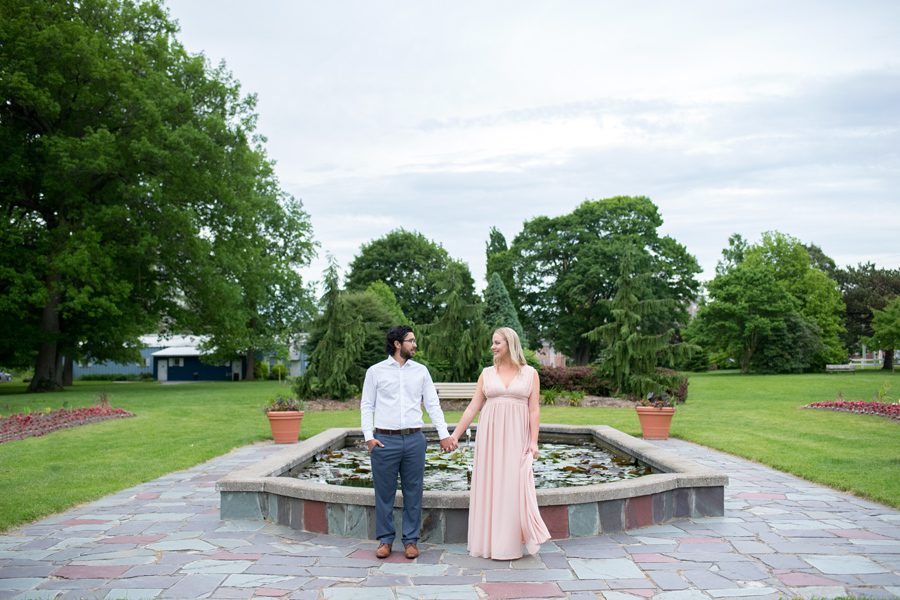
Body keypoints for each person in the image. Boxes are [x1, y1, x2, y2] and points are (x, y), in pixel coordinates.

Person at [450, 327, 551, 559]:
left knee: (514, 487)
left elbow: (534, 409)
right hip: (490, 438)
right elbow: (473, 407)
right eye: (493, 343)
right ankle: (488, 543)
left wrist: (534, 441)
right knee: (490, 485)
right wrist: (455, 435)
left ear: (510, 344)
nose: (493, 347)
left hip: (518, 436)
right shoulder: (486, 373)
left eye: (497, 342)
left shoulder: (530, 373)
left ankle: (510, 544)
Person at [360, 325, 457, 560]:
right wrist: (369, 438)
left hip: (414, 439)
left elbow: (432, 404)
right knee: (384, 493)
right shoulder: (375, 371)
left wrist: (443, 434)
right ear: (397, 344)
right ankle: (385, 540)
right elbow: (367, 405)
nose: (415, 345)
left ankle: (411, 541)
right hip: (384, 440)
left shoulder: (421, 371)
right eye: (411, 341)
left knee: (413, 492)